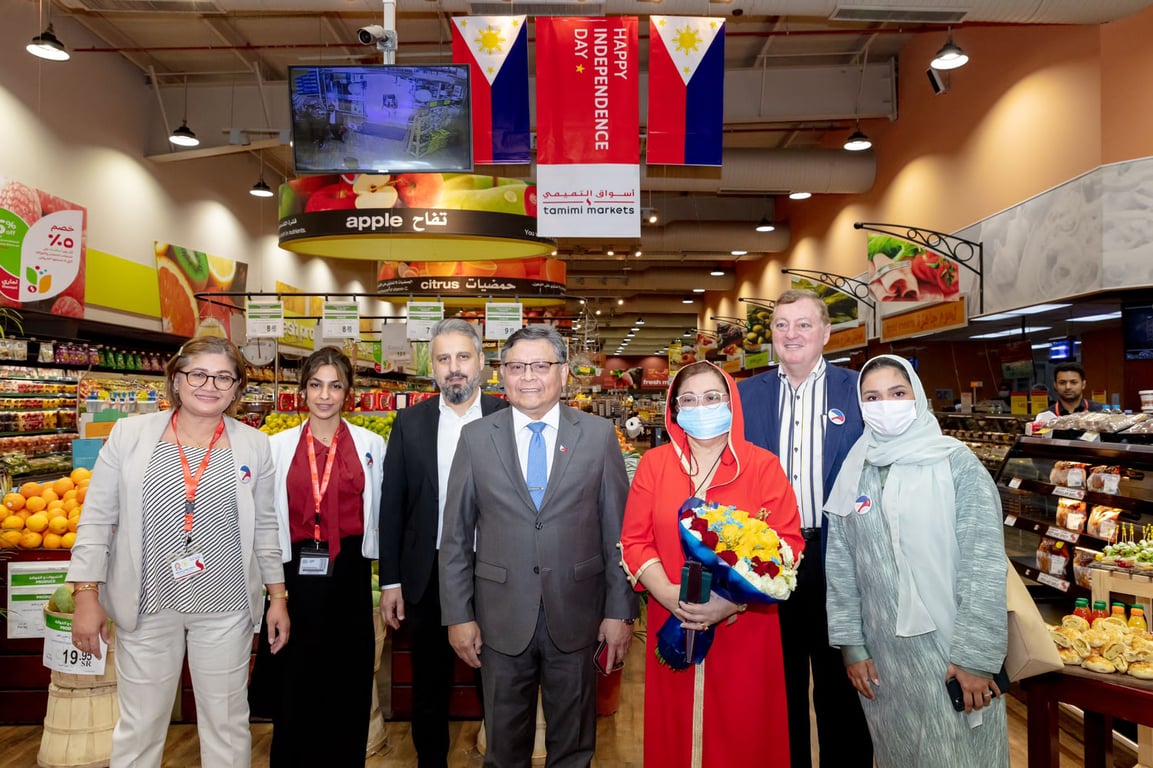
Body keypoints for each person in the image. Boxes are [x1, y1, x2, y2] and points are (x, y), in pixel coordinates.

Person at [67, 336, 288, 768]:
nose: (210, 385)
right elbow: (97, 517)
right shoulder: (130, 435)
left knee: (227, 726)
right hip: (146, 604)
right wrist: (86, 593)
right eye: (198, 374)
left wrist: (277, 596)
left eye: (223, 377)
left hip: (225, 607)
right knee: (140, 727)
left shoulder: (253, 445)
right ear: (176, 378)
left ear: (237, 388)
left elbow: (265, 525)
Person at [438, 324, 637, 768]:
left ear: (563, 373)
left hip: (578, 616)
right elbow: (455, 536)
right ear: (502, 375)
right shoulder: (476, 438)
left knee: (574, 749)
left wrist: (619, 611)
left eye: (540, 366)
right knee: (504, 750)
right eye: (516, 367)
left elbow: (617, 532)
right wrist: (459, 616)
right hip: (499, 619)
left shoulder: (597, 435)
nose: (528, 377)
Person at [824, 354, 1009, 766]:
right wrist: (852, 646)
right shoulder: (855, 470)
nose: (885, 405)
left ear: (917, 396)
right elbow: (841, 567)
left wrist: (976, 658)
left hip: (952, 655)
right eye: (872, 397)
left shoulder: (957, 464)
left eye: (897, 393)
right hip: (884, 664)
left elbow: (983, 565)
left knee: (959, 755)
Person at [621, 361, 803, 768]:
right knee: (673, 731)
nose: (700, 407)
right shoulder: (655, 465)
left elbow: (788, 545)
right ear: (675, 409)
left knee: (745, 733)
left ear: (731, 402)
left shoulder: (763, 466)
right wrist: (669, 596)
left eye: (711, 397)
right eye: (688, 400)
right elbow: (634, 540)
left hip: (746, 630)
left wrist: (731, 602)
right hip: (673, 624)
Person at [737, 289, 873, 768]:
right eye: (781, 325)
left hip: (839, 558)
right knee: (779, 686)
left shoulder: (857, 391)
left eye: (803, 324)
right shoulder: (745, 396)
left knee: (843, 686)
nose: (790, 334)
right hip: (768, 559)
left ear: (826, 333)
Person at [379, 318, 508, 767]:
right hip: (427, 573)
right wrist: (390, 581)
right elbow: (392, 505)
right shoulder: (409, 423)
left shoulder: (507, 417)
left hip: (494, 571)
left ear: (482, 363)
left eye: (463, 357)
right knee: (429, 685)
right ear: (431, 368)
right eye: (443, 359)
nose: (454, 368)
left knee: (496, 682)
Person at [259, 346, 385, 766]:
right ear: (303, 391)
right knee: (296, 682)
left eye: (335, 386)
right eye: (316, 385)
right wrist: (275, 594)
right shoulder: (276, 447)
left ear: (349, 392)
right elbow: (265, 518)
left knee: (349, 680)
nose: (325, 395)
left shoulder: (371, 445)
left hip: (351, 572)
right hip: (296, 574)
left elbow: (382, 512)